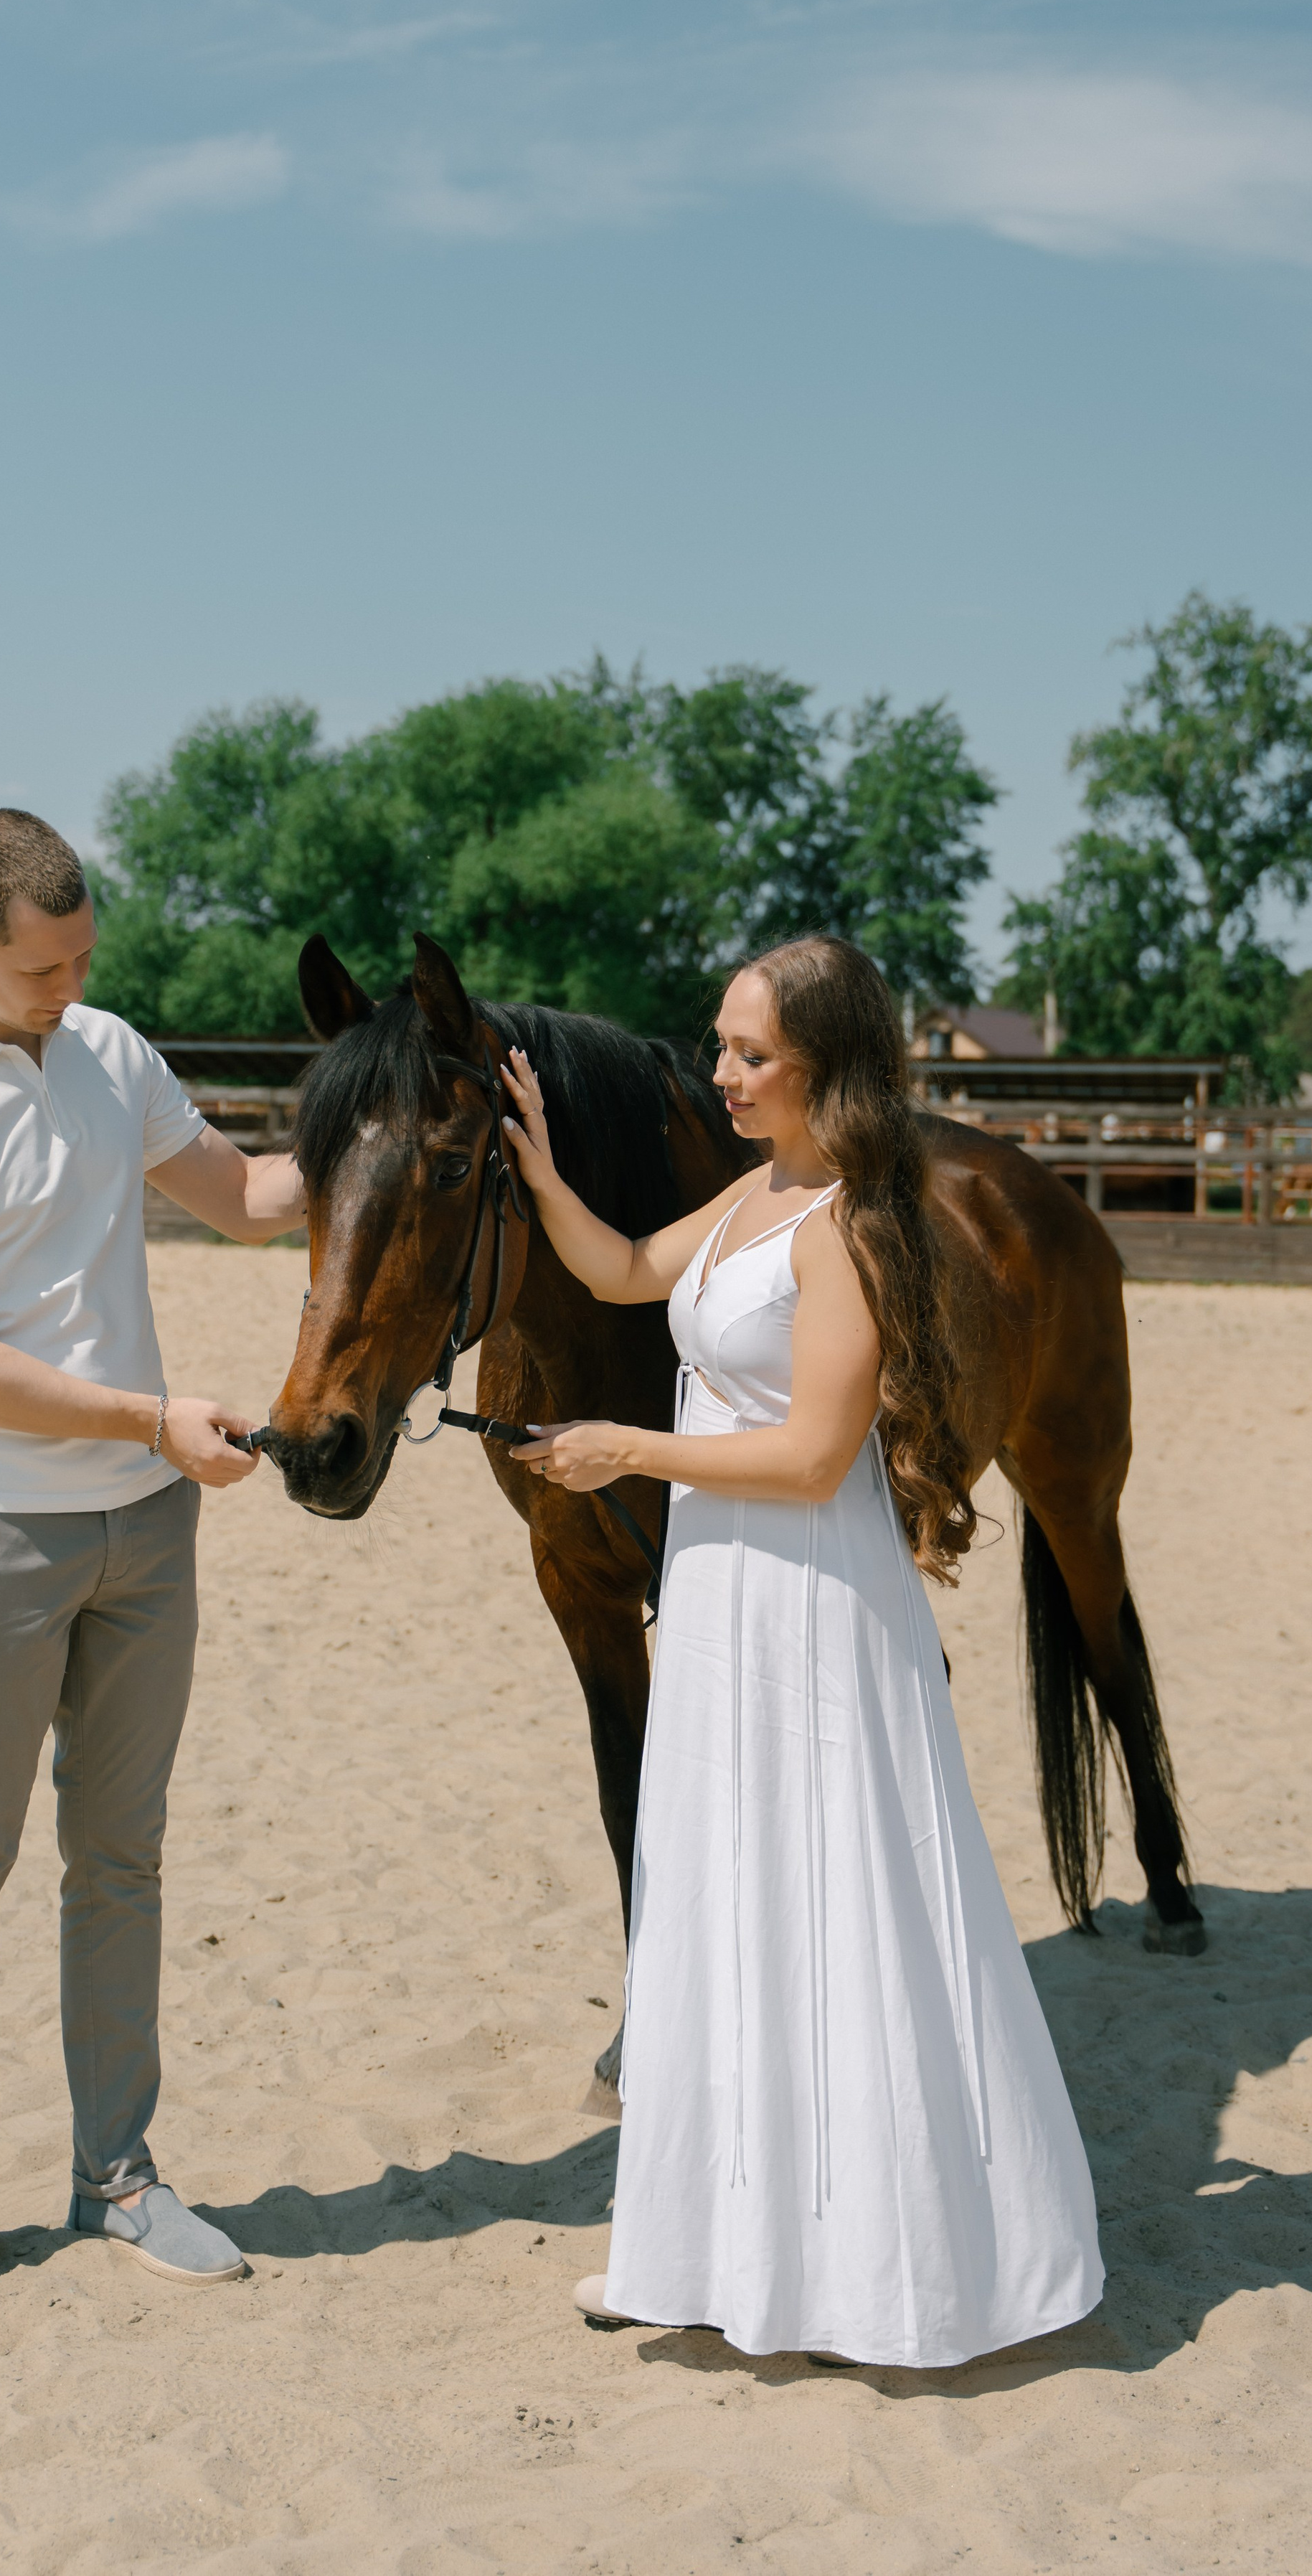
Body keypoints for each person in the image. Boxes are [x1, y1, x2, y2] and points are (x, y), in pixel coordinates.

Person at [500, 935, 1104, 2369]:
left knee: (837, 1895)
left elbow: (815, 1453)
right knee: (725, 1888)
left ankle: (876, 2260)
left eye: (747, 1053)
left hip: (809, 1593)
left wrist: (624, 1449)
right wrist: (534, 1167)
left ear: (826, 1069)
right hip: (721, 1587)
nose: (718, 1071)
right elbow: (625, 1269)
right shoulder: (751, 1192)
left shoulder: (845, 1221)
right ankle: (716, 2245)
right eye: (718, 1043)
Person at [0, 807, 307, 2316]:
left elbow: (242, 1203)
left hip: (145, 1535)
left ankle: (118, 2175)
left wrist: (391, 1124)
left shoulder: (107, 1050)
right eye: (44, 968)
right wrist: (152, 1421)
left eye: (86, 957)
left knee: (121, 1863)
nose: (71, 986)